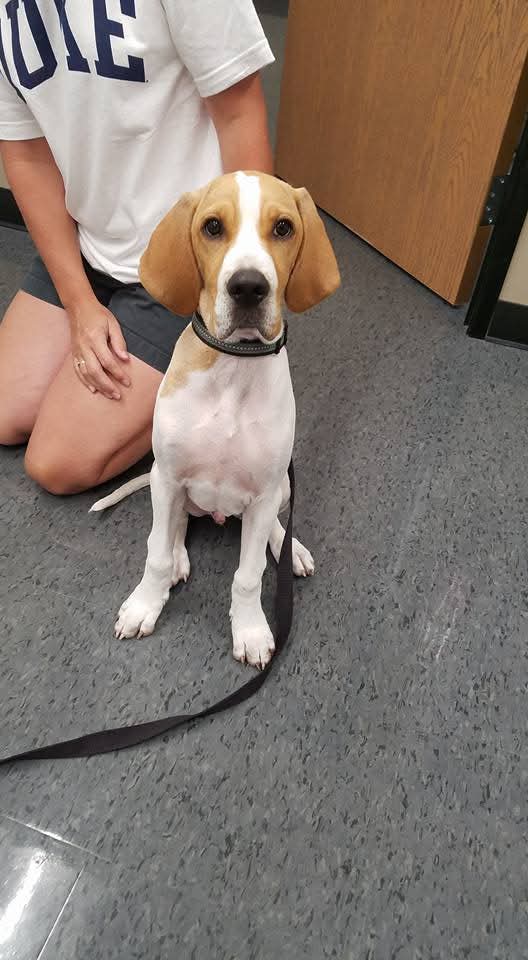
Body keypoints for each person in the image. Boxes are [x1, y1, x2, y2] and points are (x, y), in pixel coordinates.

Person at [0, 1, 274, 494]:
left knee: (55, 463)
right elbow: (26, 150)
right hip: (91, 241)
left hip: (185, 261)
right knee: (5, 414)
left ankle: (196, 376)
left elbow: (239, 112)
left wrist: (242, 285)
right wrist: (79, 303)